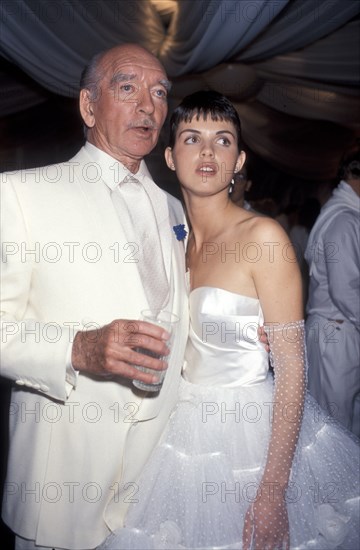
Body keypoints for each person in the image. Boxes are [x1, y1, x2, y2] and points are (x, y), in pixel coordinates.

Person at [99, 91, 360, 550]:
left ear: (238, 160)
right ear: (169, 155)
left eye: (222, 141)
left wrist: (273, 491)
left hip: (252, 434)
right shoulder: (171, 241)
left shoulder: (263, 236)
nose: (206, 151)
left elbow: (294, 371)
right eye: (192, 138)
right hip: (178, 427)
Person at [0, 44, 190, 550]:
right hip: (61, 495)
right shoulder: (20, 194)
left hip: (156, 486)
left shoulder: (177, 209)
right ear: (88, 106)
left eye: (158, 93)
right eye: (127, 88)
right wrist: (77, 349)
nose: (148, 107)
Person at [305, 146, 360, 437]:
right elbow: (346, 290)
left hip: (333, 332)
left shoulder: (341, 214)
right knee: (336, 431)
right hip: (336, 333)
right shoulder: (345, 220)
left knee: (336, 424)